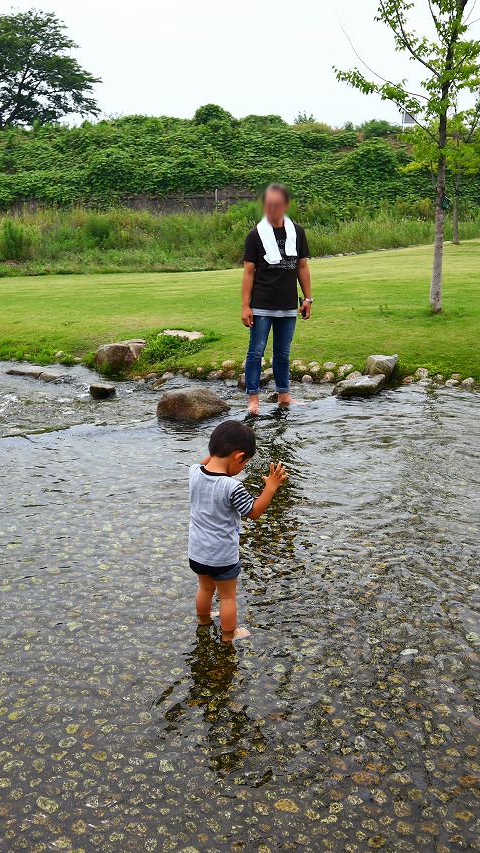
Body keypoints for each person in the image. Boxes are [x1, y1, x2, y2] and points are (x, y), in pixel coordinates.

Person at [189, 420, 287, 642]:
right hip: (222, 556)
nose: (241, 469)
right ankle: (228, 635)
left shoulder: (194, 472)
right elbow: (252, 512)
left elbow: (206, 462)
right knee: (227, 597)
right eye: (244, 464)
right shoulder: (232, 487)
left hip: (197, 552)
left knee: (205, 588)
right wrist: (270, 487)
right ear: (238, 456)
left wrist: (214, 456)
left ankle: (203, 621)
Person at [242, 183, 312, 414]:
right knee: (256, 352)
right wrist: (245, 305)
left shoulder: (297, 232)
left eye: (278, 204)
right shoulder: (255, 235)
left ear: (285, 205)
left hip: (288, 304)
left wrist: (308, 299)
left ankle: (284, 395)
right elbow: (249, 272)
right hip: (261, 305)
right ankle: (254, 399)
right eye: (269, 204)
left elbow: (302, 266)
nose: (273, 208)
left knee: (283, 353)